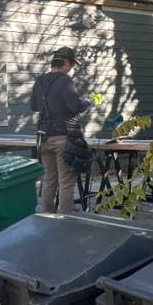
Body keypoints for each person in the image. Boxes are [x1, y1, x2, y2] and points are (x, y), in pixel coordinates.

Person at [30, 46, 91, 214]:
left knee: (49, 179)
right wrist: (87, 102)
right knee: (66, 181)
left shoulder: (40, 81)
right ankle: (65, 221)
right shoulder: (65, 81)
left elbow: (33, 106)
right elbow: (75, 107)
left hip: (43, 138)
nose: (71, 68)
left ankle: (47, 215)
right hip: (63, 138)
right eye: (71, 64)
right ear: (65, 62)